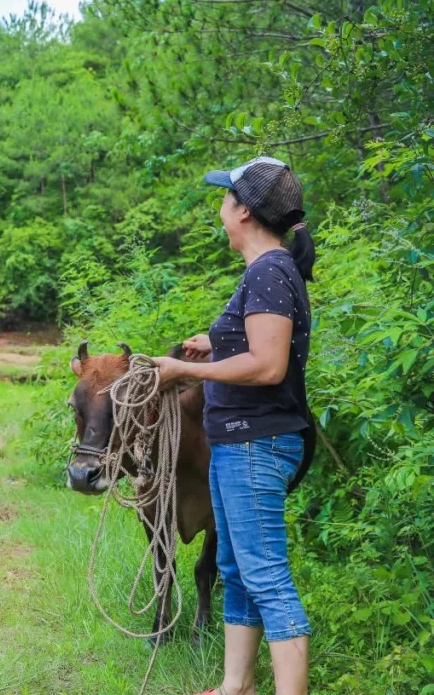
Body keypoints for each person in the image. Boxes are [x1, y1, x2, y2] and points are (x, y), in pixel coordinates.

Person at [153, 156, 316, 695]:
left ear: (243, 210)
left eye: (225, 198)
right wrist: (214, 340)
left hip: (256, 442)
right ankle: (235, 687)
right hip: (240, 442)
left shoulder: (269, 270)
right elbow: (258, 341)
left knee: (265, 574)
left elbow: (268, 365)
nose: (220, 207)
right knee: (239, 569)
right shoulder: (267, 271)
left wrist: (186, 369)